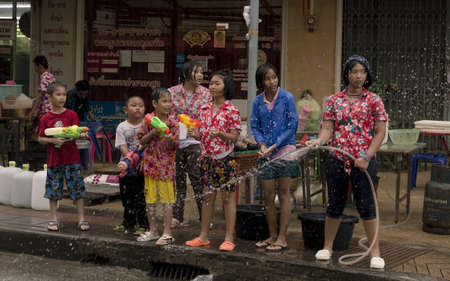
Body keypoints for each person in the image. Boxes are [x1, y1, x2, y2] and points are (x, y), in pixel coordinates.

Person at [306, 55, 387, 269]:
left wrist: (367, 156)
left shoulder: (374, 100)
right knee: (335, 204)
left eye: (362, 72)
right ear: (347, 74)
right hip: (338, 159)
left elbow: (380, 131)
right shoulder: (334, 100)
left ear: (366, 75)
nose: (358, 76)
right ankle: (327, 247)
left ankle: (375, 252)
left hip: (363, 161)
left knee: (367, 207)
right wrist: (319, 141)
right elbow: (328, 128)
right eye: (354, 71)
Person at [185, 69, 241, 252]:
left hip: (225, 159)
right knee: (207, 198)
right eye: (212, 83)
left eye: (217, 83)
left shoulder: (232, 110)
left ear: (226, 87)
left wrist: (221, 134)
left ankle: (229, 238)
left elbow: (234, 137)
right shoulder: (204, 109)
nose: (212, 86)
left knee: (228, 199)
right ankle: (203, 236)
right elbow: (202, 135)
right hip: (207, 159)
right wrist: (196, 134)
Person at [250, 63, 300, 251]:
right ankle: (271, 236)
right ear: (261, 82)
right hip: (266, 152)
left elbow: (292, 125)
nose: (272, 82)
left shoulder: (287, 98)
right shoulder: (257, 102)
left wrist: (274, 145)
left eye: (274, 77)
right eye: (267, 78)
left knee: (284, 194)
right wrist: (262, 144)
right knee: (268, 196)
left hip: (285, 150)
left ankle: (282, 237)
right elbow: (254, 126)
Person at [37, 82, 89, 232]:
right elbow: (40, 138)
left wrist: (82, 134)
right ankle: (53, 219)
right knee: (53, 191)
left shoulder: (72, 115)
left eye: (64, 94)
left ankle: (81, 219)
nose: (62, 98)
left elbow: (77, 132)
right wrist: (53, 140)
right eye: (58, 94)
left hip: (72, 159)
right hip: (55, 160)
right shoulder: (45, 118)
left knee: (78, 189)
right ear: (50, 97)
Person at [169, 60, 211, 228]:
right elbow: (167, 114)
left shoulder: (206, 94)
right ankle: (177, 216)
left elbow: (208, 117)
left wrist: (199, 130)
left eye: (202, 72)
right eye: (196, 72)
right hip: (177, 141)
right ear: (186, 74)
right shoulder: (172, 92)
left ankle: (204, 217)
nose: (200, 75)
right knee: (178, 181)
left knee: (198, 179)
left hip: (196, 142)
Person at [134, 88, 179, 245]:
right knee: (150, 200)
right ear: (154, 103)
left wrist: (168, 139)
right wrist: (154, 132)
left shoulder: (173, 122)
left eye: (169, 101)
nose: (168, 105)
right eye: (164, 101)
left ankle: (167, 233)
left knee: (167, 201)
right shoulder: (148, 120)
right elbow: (141, 140)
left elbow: (174, 145)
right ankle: (153, 230)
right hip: (150, 166)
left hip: (166, 168)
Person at [114, 96, 149, 235]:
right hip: (126, 168)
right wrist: (130, 160)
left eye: (141, 105)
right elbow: (122, 146)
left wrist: (138, 161)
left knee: (141, 198)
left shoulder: (147, 125)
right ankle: (128, 223)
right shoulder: (122, 127)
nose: (138, 108)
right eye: (134, 105)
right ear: (125, 110)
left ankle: (143, 224)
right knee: (126, 197)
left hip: (143, 168)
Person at [30, 55, 56, 135]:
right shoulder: (51, 76)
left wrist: (32, 112)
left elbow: (40, 96)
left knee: (42, 133)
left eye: (35, 66)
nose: (34, 69)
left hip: (46, 111)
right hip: (53, 109)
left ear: (39, 66)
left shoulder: (44, 77)